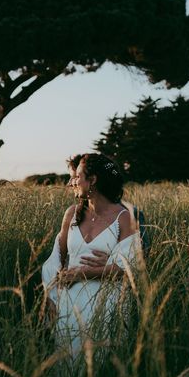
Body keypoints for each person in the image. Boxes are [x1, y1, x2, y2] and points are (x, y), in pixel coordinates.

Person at [42, 153, 142, 358]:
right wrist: (51, 298)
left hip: (107, 306)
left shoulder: (124, 218)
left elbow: (129, 268)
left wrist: (85, 272)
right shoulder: (71, 213)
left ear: (93, 180)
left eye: (77, 176)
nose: (72, 182)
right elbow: (56, 259)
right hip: (69, 306)